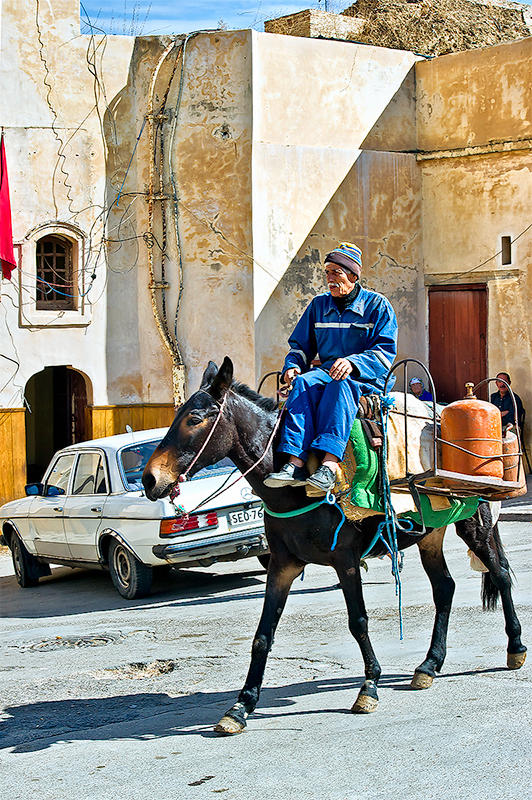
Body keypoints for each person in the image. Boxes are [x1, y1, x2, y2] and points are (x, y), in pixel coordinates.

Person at [264, 242, 398, 493]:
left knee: (340, 386)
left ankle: (329, 464)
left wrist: (352, 362)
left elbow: (385, 354)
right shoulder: (318, 305)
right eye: (327, 272)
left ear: (353, 275)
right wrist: (292, 366)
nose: (329, 278)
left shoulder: (378, 306)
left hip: (366, 380)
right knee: (303, 382)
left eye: (336, 272)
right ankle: (295, 463)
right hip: (327, 372)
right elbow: (300, 346)